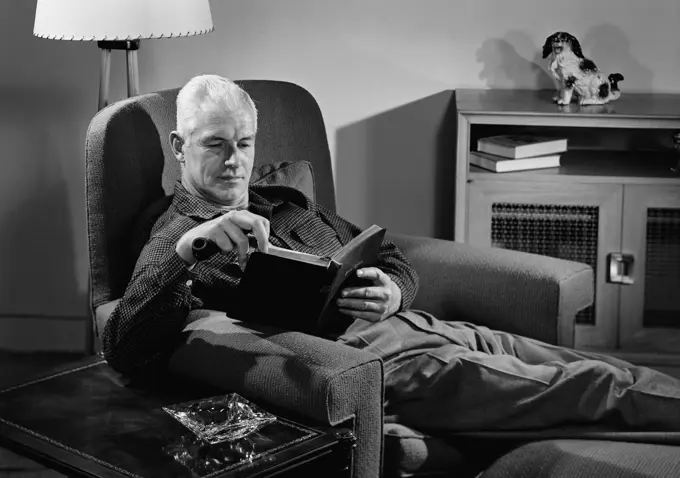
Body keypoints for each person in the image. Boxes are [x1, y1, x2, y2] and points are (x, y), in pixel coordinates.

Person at [102, 74, 680, 434]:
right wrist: (184, 251)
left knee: (575, 362)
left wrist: (393, 288)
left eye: (244, 145)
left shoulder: (285, 200)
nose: (234, 161)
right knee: (590, 388)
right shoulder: (179, 233)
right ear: (179, 147)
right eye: (215, 146)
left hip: (421, 326)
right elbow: (124, 346)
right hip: (372, 362)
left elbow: (392, 253)